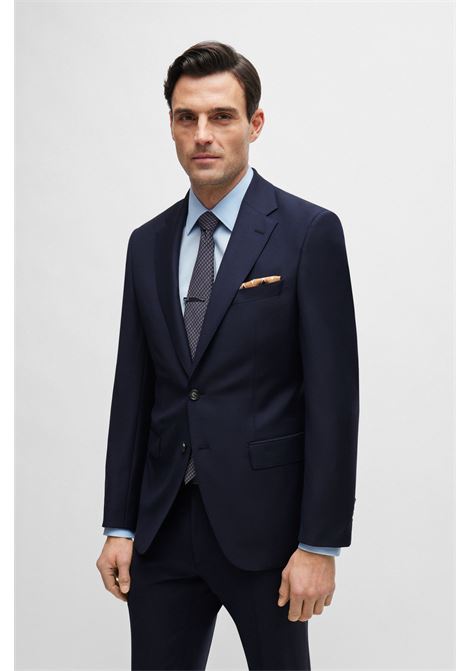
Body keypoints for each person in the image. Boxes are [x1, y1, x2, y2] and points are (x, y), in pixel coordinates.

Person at [96, 40, 359, 671]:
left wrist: (320, 543)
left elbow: (334, 400)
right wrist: (119, 525)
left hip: (269, 536)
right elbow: (134, 391)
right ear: (171, 126)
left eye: (221, 116)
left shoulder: (308, 233)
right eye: (186, 118)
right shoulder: (147, 244)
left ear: (254, 123)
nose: (203, 134)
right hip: (162, 531)